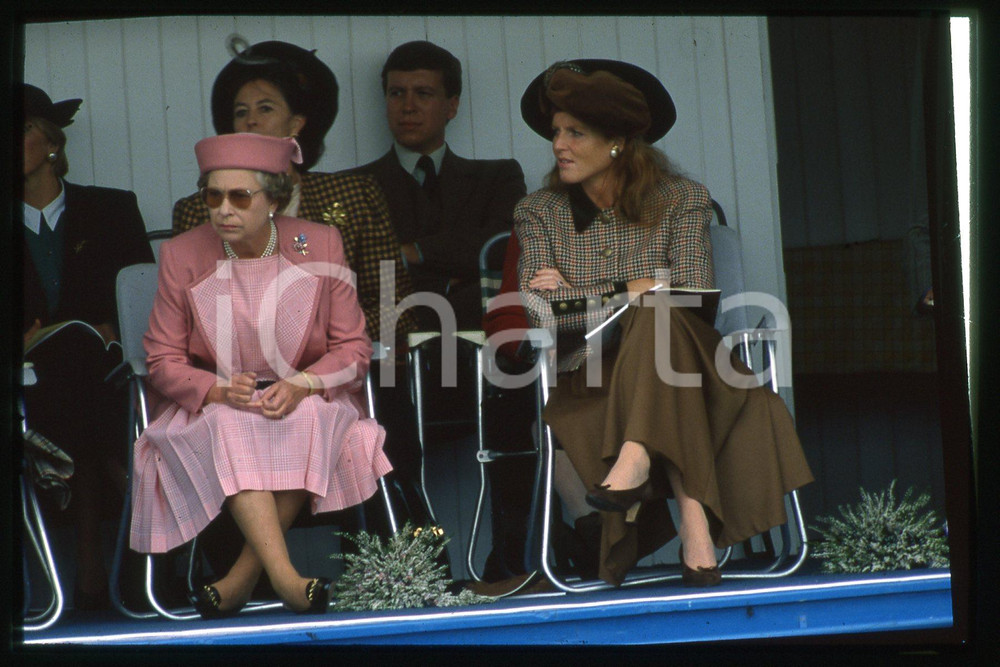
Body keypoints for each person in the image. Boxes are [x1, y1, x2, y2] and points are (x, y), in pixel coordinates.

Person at [514, 59, 814, 587]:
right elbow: (541, 313)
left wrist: (584, 297)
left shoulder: (681, 199)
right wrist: (633, 289)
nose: (558, 143)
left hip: (688, 364)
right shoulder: (538, 211)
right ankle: (695, 531)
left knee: (662, 318)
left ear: (619, 143)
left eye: (575, 132)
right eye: (556, 131)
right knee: (657, 315)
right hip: (594, 380)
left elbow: (694, 295)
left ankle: (635, 458)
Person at [130, 133, 392, 617]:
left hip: (305, 393)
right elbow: (162, 358)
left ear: (275, 198)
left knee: (312, 416)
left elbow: (353, 347)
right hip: (215, 406)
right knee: (233, 425)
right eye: (213, 195)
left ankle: (241, 579)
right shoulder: (183, 254)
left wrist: (301, 384)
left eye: (239, 196)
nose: (222, 209)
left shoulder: (318, 242)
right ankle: (288, 580)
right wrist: (215, 390)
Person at [172, 39, 418, 351]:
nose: (251, 121)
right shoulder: (197, 210)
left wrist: (316, 333)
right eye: (240, 112)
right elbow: (188, 320)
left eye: (265, 108)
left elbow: (396, 310)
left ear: (297, 123)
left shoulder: (357, 196)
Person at [20, 83, 155, 610]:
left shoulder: (111, 209)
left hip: (105, 376)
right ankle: (136, 539)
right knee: (74, 383)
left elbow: (147, 300)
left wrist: (114, 330)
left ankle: (93, 569)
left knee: (83, 369)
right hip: (31, 390)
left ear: (52, 142)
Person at [354, 40, 527, 331]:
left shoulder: (498, 176)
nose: (408, 107)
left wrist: (413, 252)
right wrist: (452, 278)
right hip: (388, 349)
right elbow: (357, 271)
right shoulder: (353, 185)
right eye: (396, 93)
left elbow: (505, 248)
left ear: (452, 106)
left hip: (479, 350)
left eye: (423, 93)